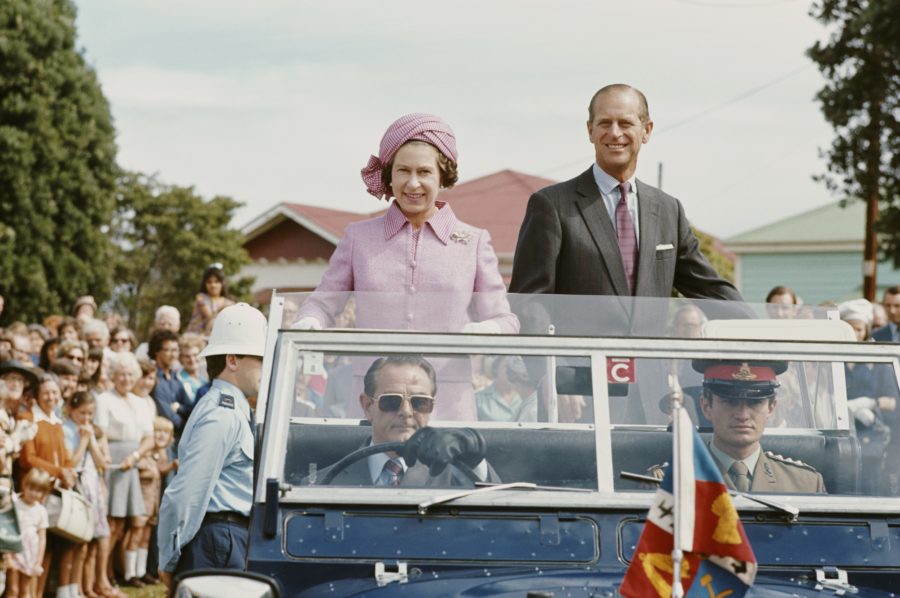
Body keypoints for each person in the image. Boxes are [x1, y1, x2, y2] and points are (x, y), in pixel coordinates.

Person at [295, 113, 518, 420]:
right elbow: (322, 303)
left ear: (443, 176)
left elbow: (505, 319)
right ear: (389, 176)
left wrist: (488, 328)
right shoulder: (359, 237)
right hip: (375, 403)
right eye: (403, 171)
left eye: (424, 171)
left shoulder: (474, 242)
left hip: (447, 404)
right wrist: (310, 321)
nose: (413, 183)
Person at [509, 84, 742, 302]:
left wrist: (765, 329)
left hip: (647, 347)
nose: (615, 133)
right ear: (590, 131)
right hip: (581, 347)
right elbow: (530, 302)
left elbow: (710, 290)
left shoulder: (669, 211)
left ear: (646, 130)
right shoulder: (552, 205)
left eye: (625, 123)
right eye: (604, 123)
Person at [157, 303, 267, 588]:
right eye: (261, 359)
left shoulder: (233, 409)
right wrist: (168, 559)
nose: (267, 369)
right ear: (232, 360)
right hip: (217, 540)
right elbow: (186, 492)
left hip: (226, 537)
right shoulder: (222, 414)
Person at [312, 356, 498, 487]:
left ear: (432, 406)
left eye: (420, 402)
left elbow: (501, 518)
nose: (406, 412)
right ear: (368, 406)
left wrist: (474, 462)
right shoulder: (322, 484)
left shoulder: (456, 477)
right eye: (391, 401)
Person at [691, 360, 825, 493]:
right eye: (730, 402)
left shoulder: (805, 484)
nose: (743, 415)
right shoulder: (677, 481)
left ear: (771, 407)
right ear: (706, 406)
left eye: (755, 402)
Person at [94, 353, 154, 589]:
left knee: (125, 525)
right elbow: (101, 435)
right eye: (121, 374)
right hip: (113, 463)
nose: (125, 378)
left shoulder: (140, 402)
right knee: (111, 522)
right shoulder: (104, 399)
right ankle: (102, 577)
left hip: (133, 461)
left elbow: (149, 437)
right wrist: (108, 460)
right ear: (113, 376)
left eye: (130, 374)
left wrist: (136, 456)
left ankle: (110, 574)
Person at [7, 468, 52, 598]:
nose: (33, 493)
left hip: (30, 554)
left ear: (44, 493)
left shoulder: (41, 511)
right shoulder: (14, 503)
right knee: (13, 589)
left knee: (25, 590)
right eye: (31, 488)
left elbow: (42, 538)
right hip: (14, 551)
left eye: (39, 490)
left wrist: (38, 561)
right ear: (24, 485)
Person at [148, 330, 188, 435]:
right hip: (163, 436)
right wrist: (189, 430)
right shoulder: (153, 378)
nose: (173, 354)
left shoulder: (176, 378)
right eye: (169, 350)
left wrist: (179, 407)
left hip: (180, 434)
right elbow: (168, 414)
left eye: (176, 350)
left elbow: (190, 408)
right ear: (157, 351)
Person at [187, 264, 235, 336]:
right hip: (195, 337)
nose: (213, 285)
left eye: (216, 282)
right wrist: (222, 307)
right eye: (209, 282)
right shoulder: (201, 298)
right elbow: (210, 317)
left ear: (222, 284)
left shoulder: (228, 302)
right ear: (205, 284)